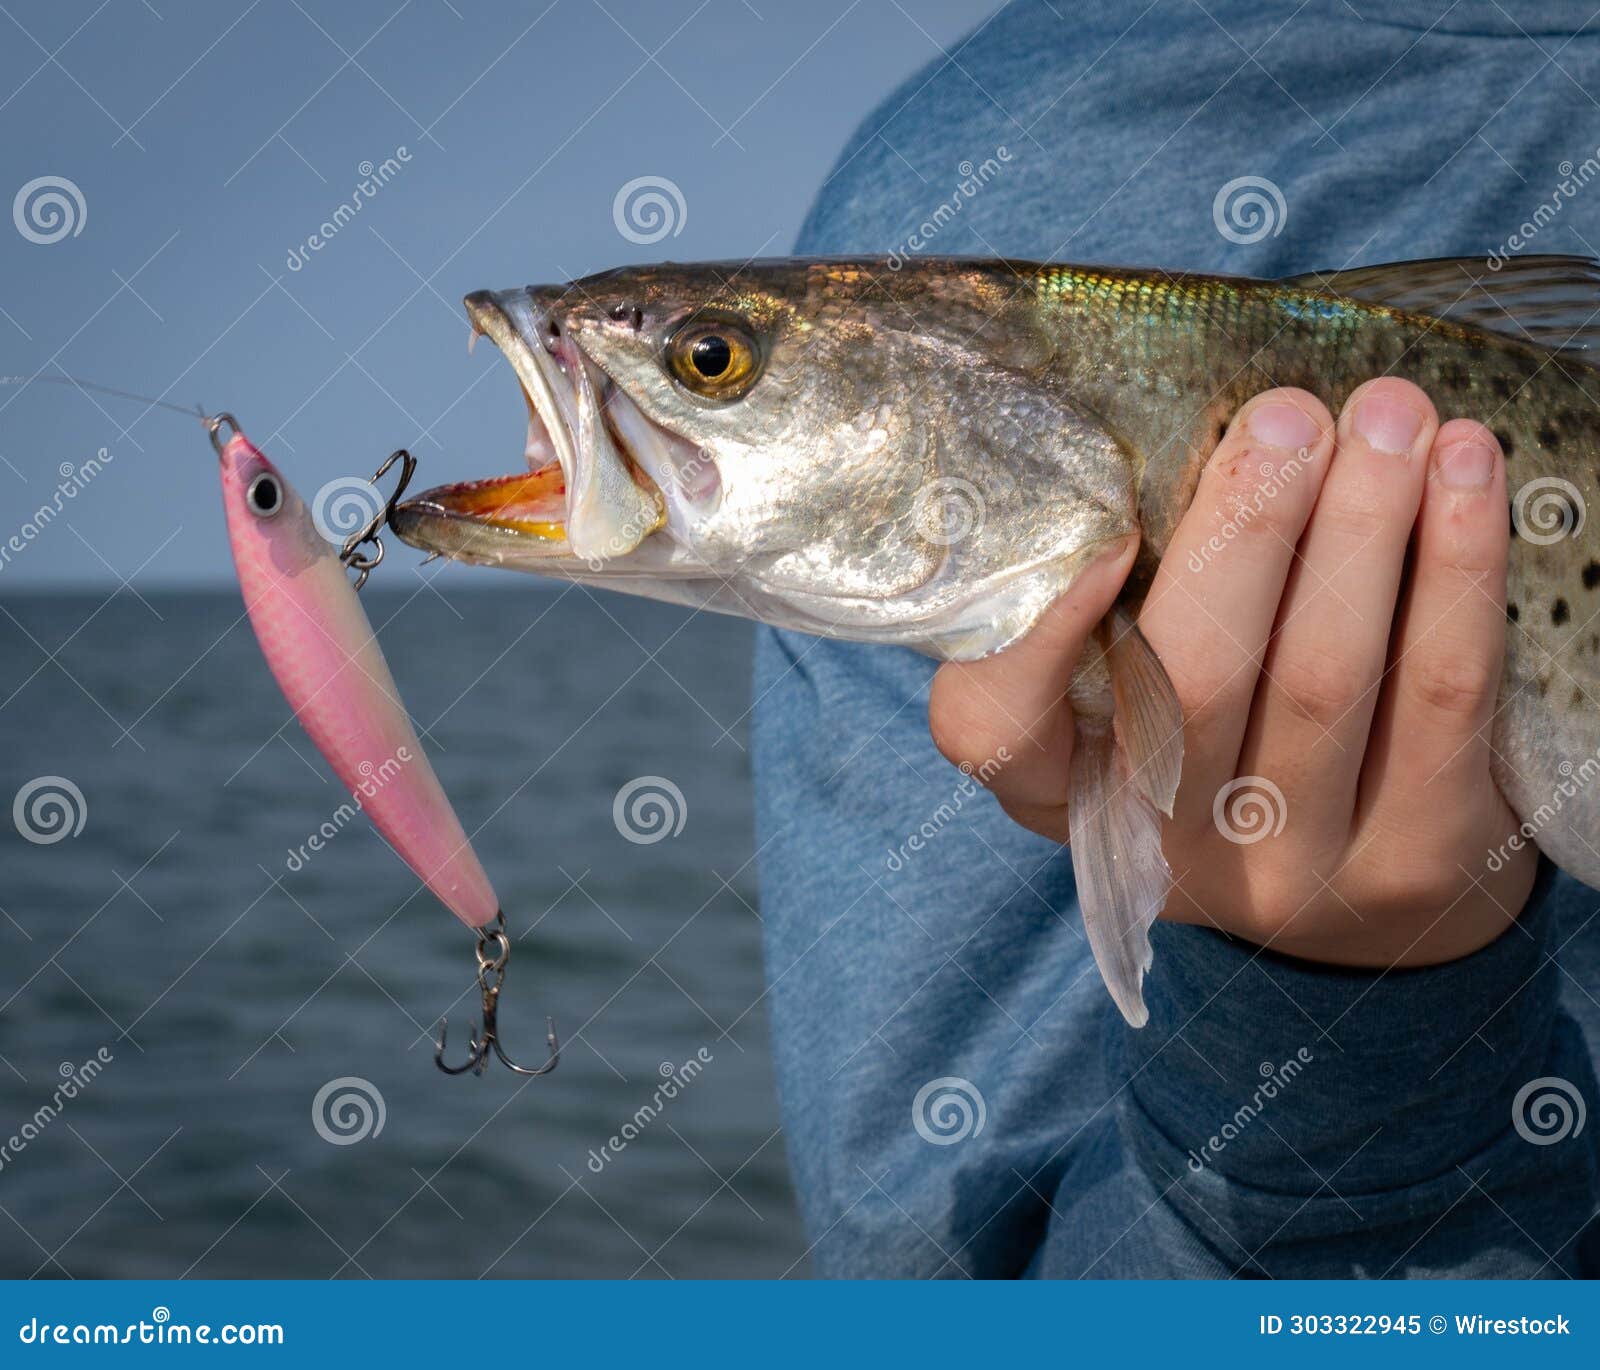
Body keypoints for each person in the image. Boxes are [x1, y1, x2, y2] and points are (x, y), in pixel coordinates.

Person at [752, 0, 1600, 1277]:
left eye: (714, 361)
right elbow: (958, 1290)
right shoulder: (987, 153)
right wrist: (1331, 997)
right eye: (722, 361)